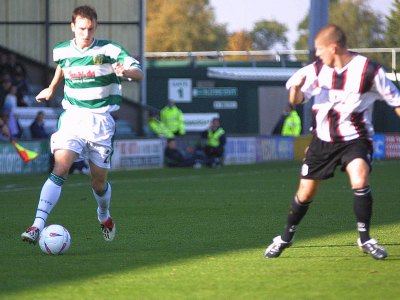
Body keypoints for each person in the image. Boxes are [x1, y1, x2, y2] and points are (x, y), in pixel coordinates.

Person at [264, 24, 400, 260]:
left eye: (319, 49)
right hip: (322, 140)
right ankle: (285, 237)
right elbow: (296, 99)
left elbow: (396, 102)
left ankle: (365, 238)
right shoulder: (316, 70)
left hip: (355, 139)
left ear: (333, 48)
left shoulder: (370, 71)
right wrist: (295, 87)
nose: (316, 54)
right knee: (305, 194)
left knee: (360, 177)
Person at [21, 5, 143, 244]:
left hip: (101, 123)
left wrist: (125, 71)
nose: (86, 34)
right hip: (73, 118)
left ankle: (103, 214)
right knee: (60, 168)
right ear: (72, 27)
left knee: (98, 184)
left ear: (95, 27)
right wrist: (51, 88)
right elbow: (63, 66)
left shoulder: (109, 49)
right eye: (81, 29)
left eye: (90, 29)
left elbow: (139, 72)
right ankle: (37, 225)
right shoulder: (62, 50)